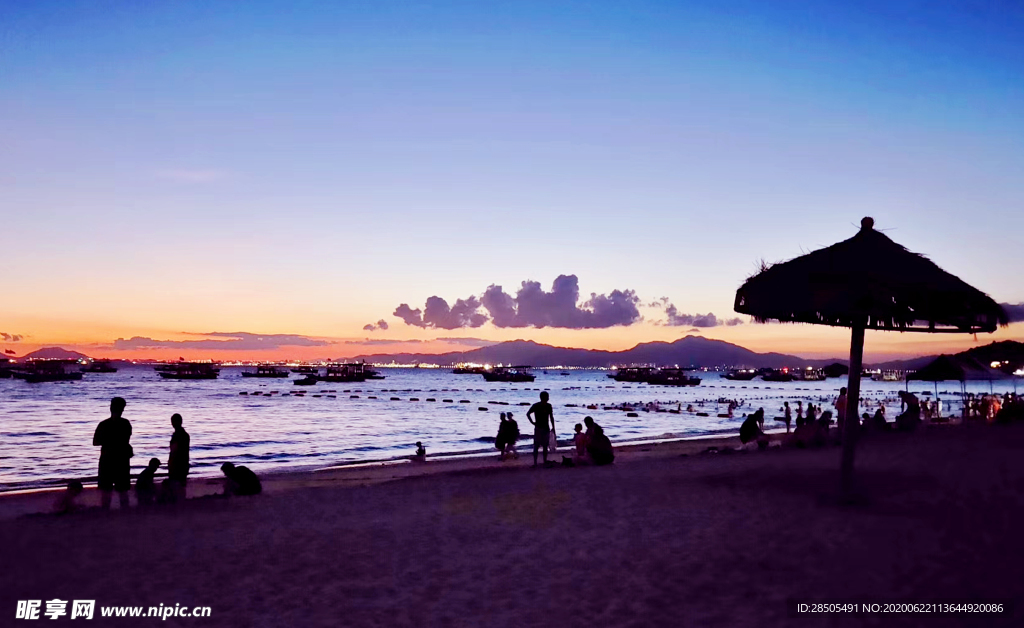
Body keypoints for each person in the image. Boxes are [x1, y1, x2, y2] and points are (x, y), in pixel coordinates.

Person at [93, 397, 133, 510]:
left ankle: (106, 511)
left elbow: (95, 442)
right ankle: (124, 512)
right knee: (122, 491)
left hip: (108, 459)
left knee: (107, 490)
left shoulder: (103, 424)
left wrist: (107, 441)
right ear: (122, 409)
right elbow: (126, 440)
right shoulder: (125, 424)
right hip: (121, 460)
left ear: (111, 408)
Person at [526, 391, 555, 467]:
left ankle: (544, 461)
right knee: (537, 445)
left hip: (545, 428)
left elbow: (551, 417)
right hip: (539, 428)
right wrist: (532, 422)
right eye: (547, 396)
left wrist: (553, 427)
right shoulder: (536, 406)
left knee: (545, 445)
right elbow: (528, 413)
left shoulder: (548, 406)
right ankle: (535, 462)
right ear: (543, 397)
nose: (548, 398)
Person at [167, 414, 190, 497]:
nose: (172, 424)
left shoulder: (178, 435)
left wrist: (170, 462)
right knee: (180, 486)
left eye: (173, 422)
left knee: (176, 486)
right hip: (183, 463)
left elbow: (174, 450)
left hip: (177, 464)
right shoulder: (184, 434)